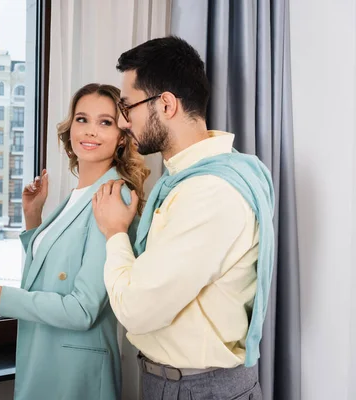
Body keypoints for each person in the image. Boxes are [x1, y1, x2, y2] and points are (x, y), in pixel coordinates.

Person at [91, 36, 275, 399]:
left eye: (128, 108)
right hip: (178, 383)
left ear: (166, 104)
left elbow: (137, 308)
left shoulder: (209, 193)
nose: (124, 123)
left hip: (197, 389)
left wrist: (115, 233)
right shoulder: (189, 180)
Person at [0, 83, 149, 400]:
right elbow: (50, 275)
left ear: (122, 138)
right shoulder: (77, 196)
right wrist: (34, 218)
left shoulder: (114, 195)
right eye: (82, 119)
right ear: (70, 129)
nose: (90, 131)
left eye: (105, 122)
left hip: (76, 374)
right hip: (43, 358)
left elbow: (82, 309)